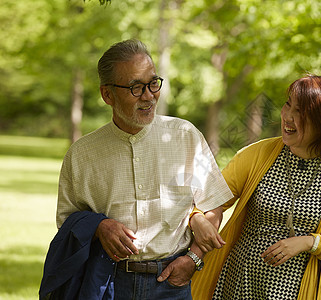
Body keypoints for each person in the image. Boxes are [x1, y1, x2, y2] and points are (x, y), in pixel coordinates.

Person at [40, 39, 233, 300]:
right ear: (107, 94)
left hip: (172, 283)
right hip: (106, 284)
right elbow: (68, 225)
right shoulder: (82, 155)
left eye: (153, 83)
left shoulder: (185, 136)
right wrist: (99, 227)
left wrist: (193, 259)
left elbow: (213, 205)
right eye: (135, 87)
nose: (149, 96)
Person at [190, 74, 321, 299]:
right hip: (240, 282)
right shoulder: (257, 154)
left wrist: (308, 242)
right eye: (288, 105)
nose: (287, 117)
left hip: (298, 289)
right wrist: (197, 218)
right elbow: (208, 199)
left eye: (300, 112)